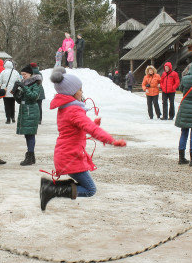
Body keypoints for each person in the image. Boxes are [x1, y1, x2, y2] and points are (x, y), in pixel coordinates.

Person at [40, 68, 127, 210]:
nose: (82, 92)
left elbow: (75, 129)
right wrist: (111, 140)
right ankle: (50, 189)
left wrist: (91, 124)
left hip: (66, 154)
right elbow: (91, 129)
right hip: (71, 156)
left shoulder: (66, 108)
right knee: (90, 189)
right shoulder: (74, 111)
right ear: (73, 92)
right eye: (80, 89)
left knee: (87, 187)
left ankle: (50, 188)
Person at [13, 65, 42, 166]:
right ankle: (30, 155)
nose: (23, 76)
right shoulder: (25, 83)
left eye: (24, 74)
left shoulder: (36, 84)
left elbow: (33, 96)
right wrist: (16, 93)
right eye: (22, 75)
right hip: (25, 110)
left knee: (30, 133)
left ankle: (30, 155)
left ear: (30, 74)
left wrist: (24, 87)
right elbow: (20, 100)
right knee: (27, 134)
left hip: (31, 110)